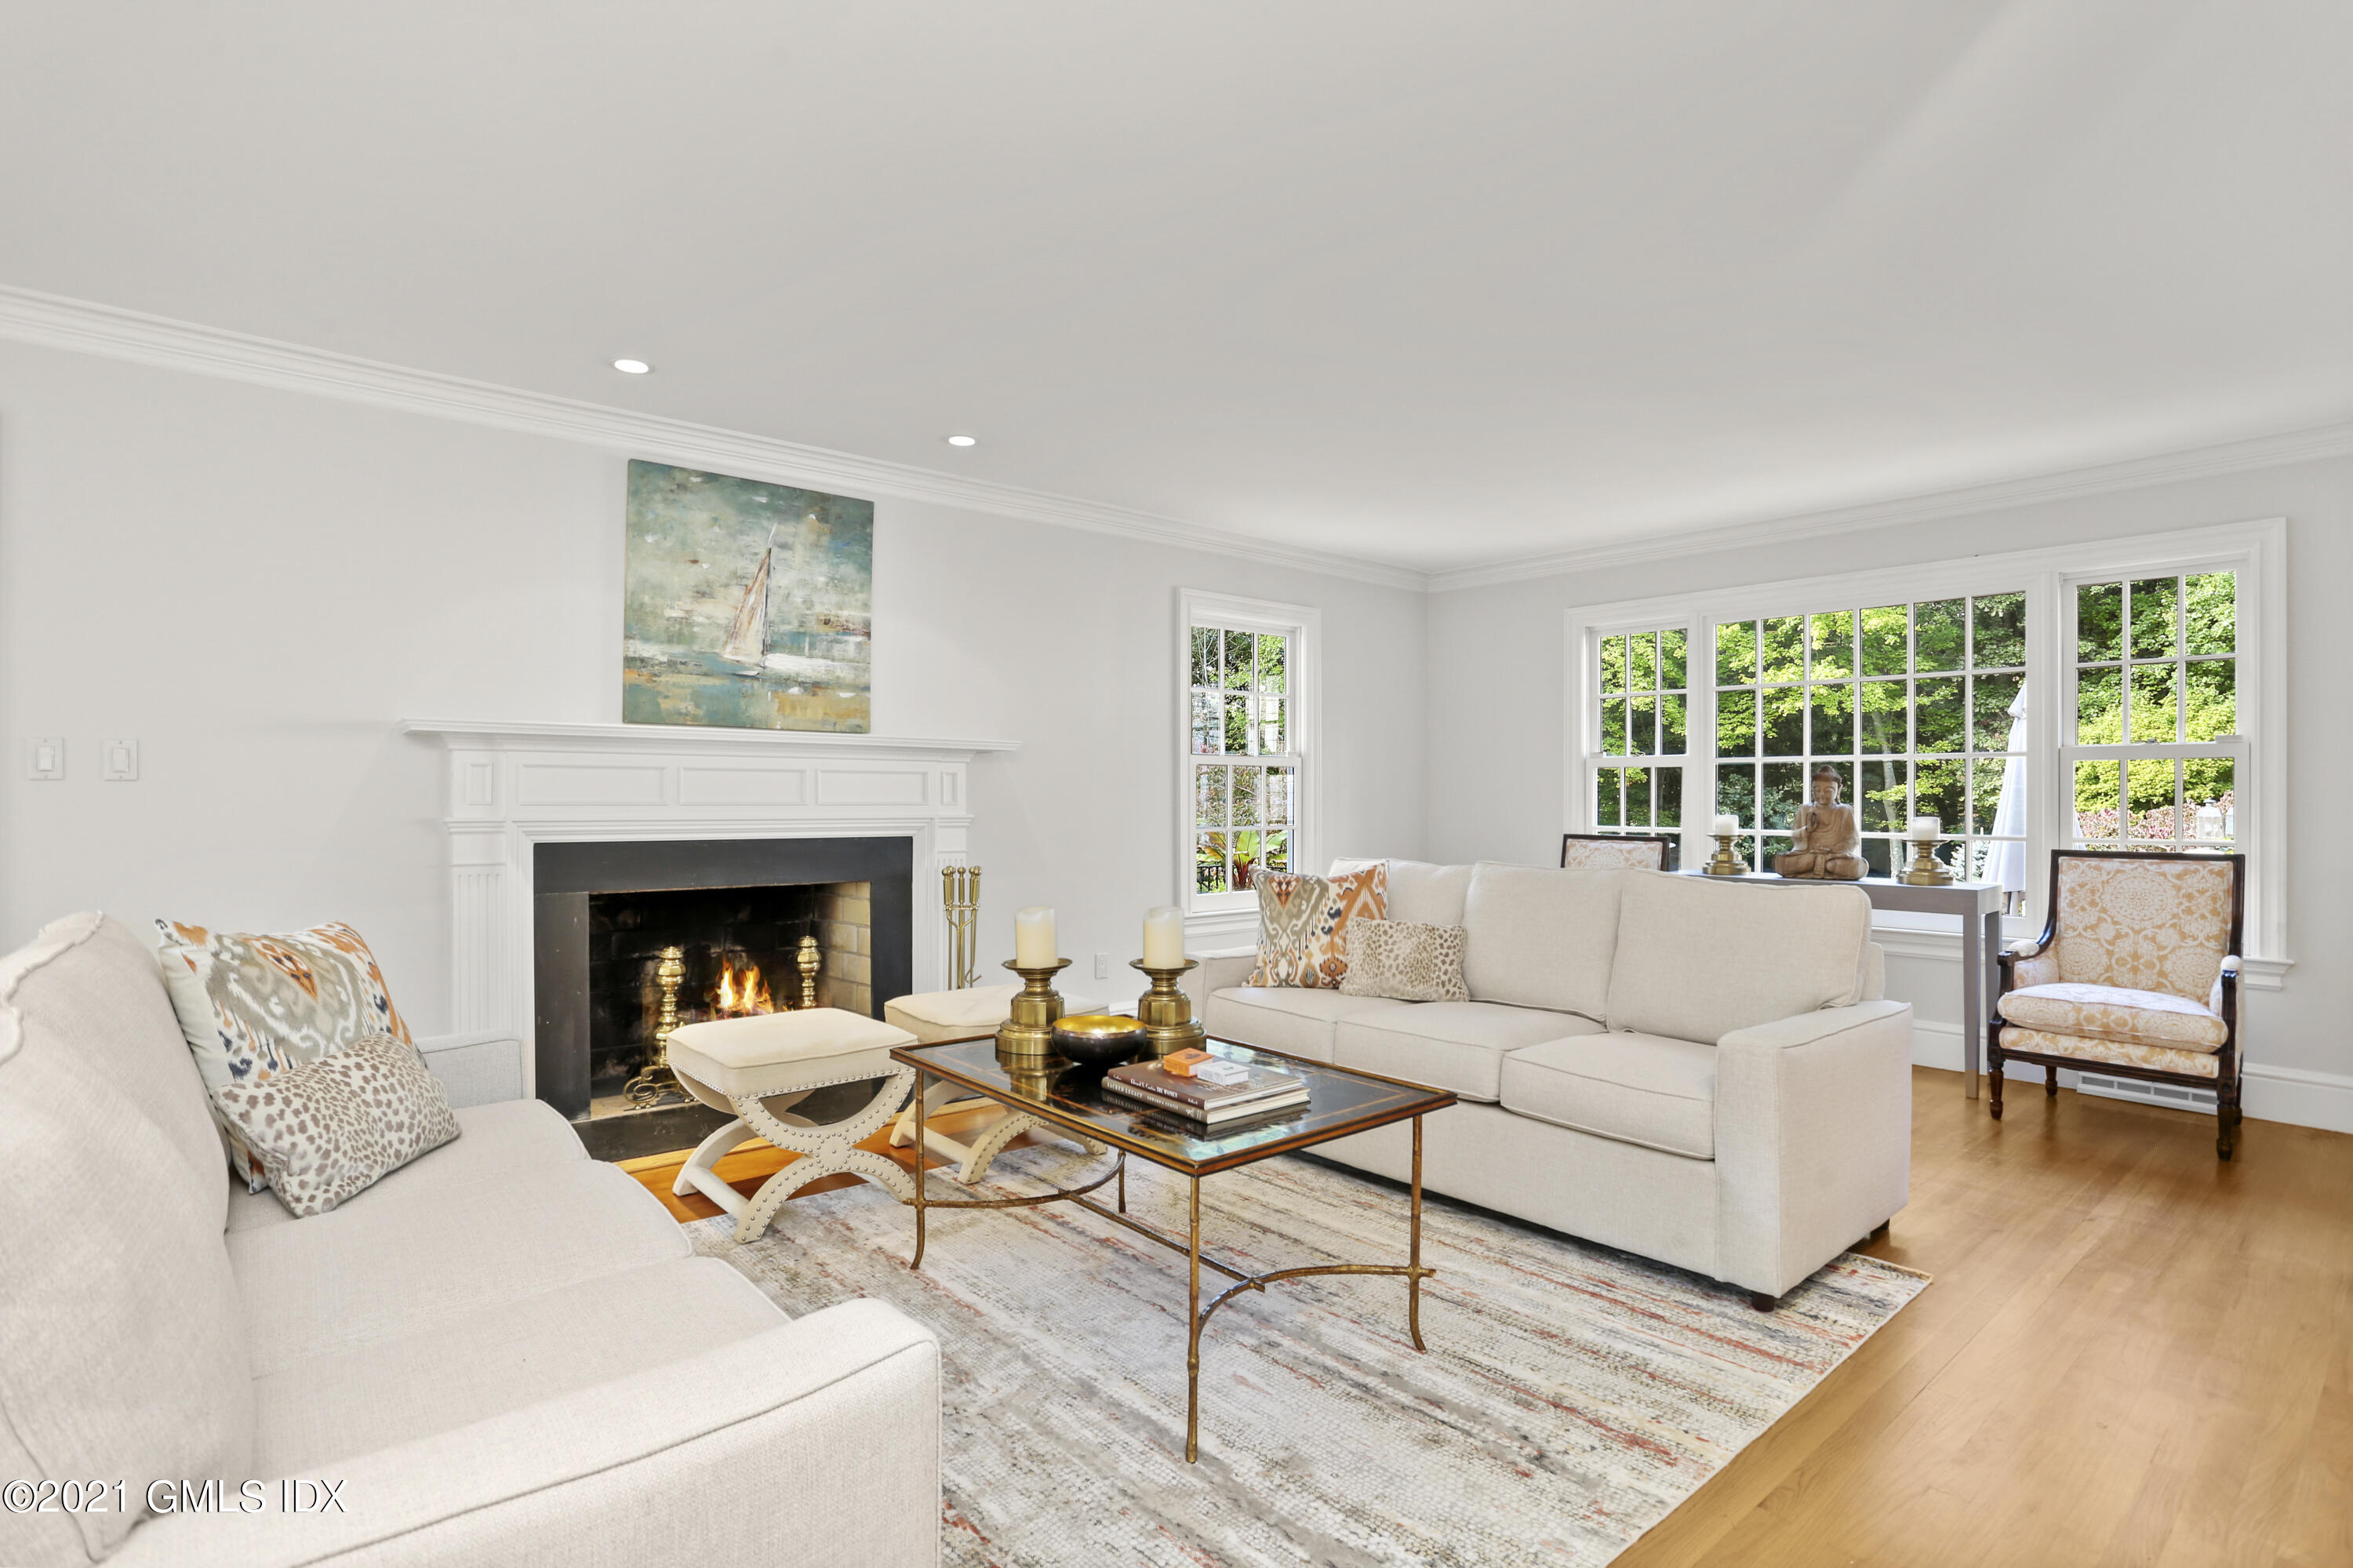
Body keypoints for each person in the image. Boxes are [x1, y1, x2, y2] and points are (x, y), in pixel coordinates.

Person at [1773, 766, 1867, 880]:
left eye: (1828, 790)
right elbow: (1795, 837)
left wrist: (1833, 851)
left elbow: (1852, 840)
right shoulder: (1805, 809)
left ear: (1839, 790)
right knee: (1781, 864)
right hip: (1809, 856)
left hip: (1833, 857)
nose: (1821, 794)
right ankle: (1822, 866)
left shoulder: (1844, 810)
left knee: (1858, 867)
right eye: (1817, 790)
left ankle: (1820, 865)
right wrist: (1807, 830)